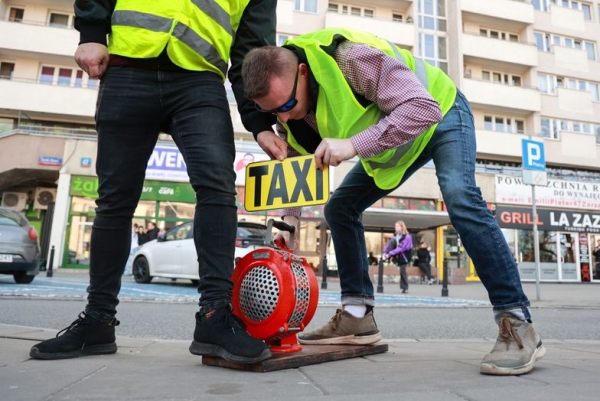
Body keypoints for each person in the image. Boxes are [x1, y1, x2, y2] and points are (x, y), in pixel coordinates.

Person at [241, 27, 545, 375]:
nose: (283, 118)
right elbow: (296, 163)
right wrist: (287, 223)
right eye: (273, 112)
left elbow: (423, 108)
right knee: (339, 208)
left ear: (303, 72)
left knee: (459, 195)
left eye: (288, 105)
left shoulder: (350, 60)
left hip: (441, 114)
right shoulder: (288, 113)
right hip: (396, 143)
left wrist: (353, 145)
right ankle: (357, 318)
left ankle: (517, 322)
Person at [29, 0, 277, 365]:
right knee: (114, 198)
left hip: (200, 80)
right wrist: (92, 33)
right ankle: (98, 320)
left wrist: (258, 123)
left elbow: (251, 51)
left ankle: (214, 319)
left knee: (218, 188)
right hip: (128, 67)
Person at [382, 220, 412, 293]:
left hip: (405, 256)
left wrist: (389, 254)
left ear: (402, 227)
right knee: (392, 240)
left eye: (397, 226)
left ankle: (405, 288)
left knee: (403, 271)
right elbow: (390, 244)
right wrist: (385, 252)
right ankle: (404, 288)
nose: (395, 227)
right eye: (395, 226)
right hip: (399, 255)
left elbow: (400, 249)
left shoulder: (407, 237)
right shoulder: (397, 236)